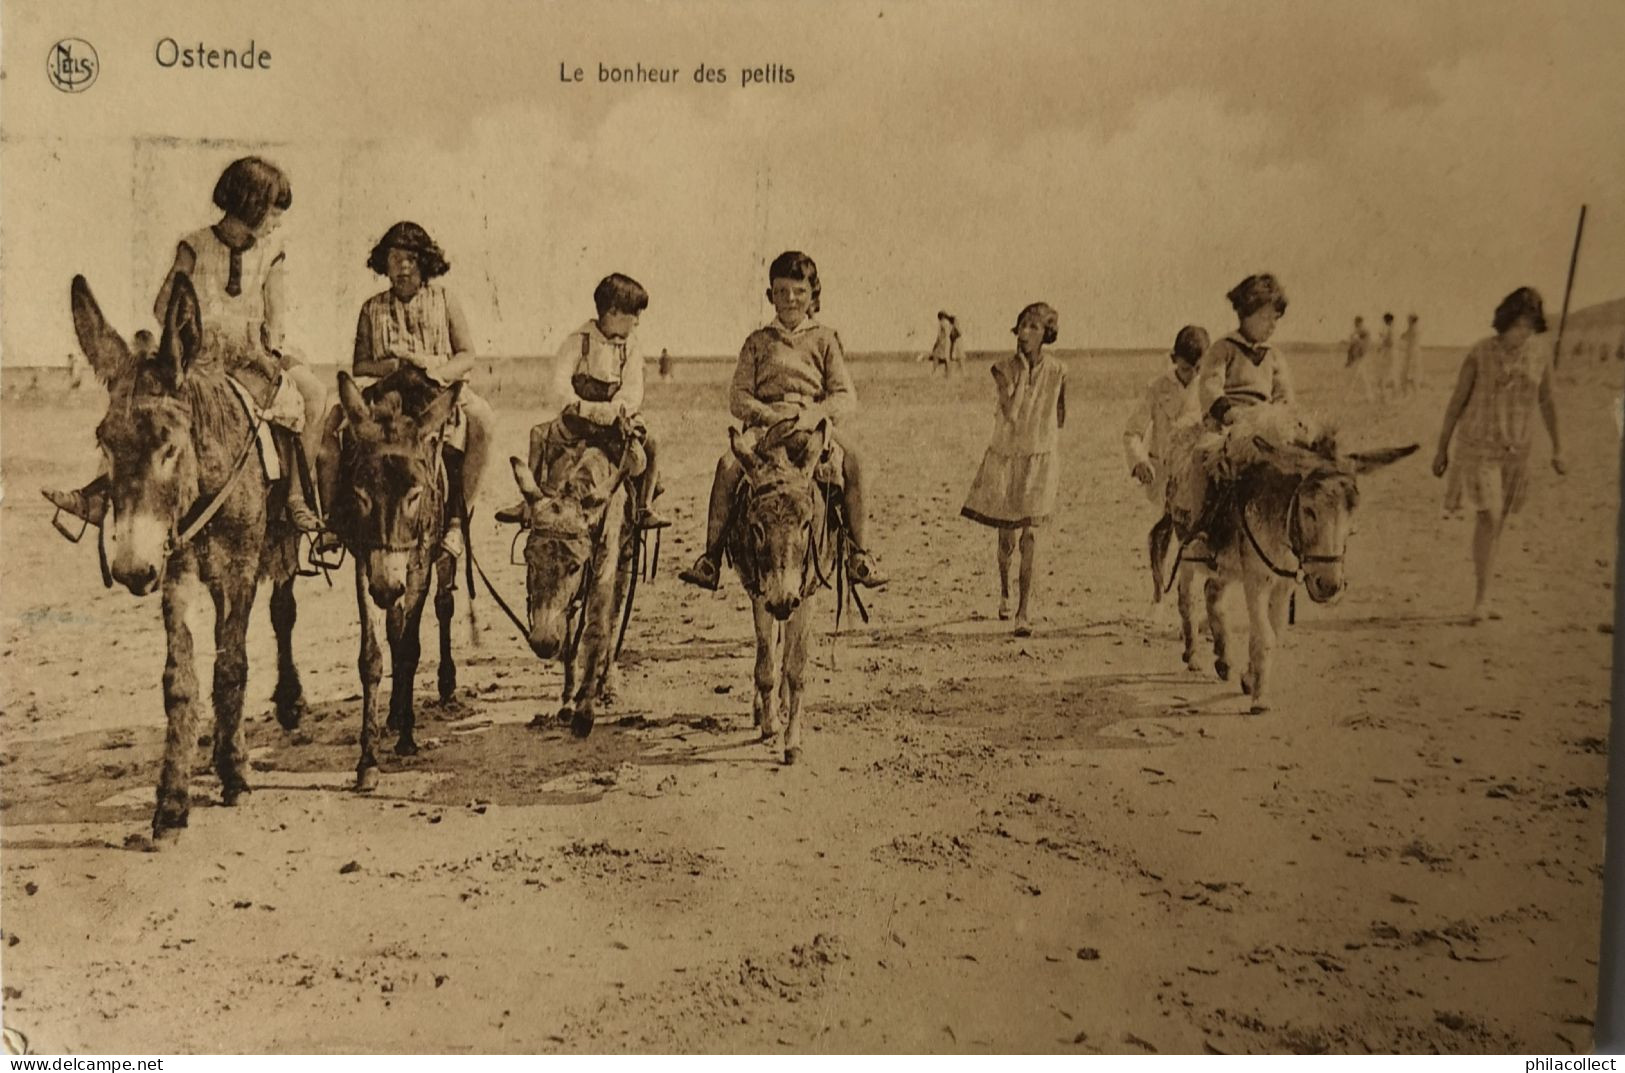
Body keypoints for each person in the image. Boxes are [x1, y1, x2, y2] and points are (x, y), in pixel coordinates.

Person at [44, 156, 322, 533]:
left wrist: (266, 344)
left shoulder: (272, 252)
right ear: (252, 205)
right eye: (274, 212)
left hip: (249, 356)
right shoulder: (195, 246)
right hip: (195, 358)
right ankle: (98, 496)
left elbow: (277, 317)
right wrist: (203, 330)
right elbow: (163, 307)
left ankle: (295, 498)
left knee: (311, 393)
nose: (277, 222)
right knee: (135, 405)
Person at [678, 250, 886, 590]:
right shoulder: (758, 342)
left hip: (811, 422)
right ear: (770, 295)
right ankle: (710, 558)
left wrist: (812, 415)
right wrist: (768, 414)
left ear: (813, 294)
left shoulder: (825, 339)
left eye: (799, 292)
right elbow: (738, 396)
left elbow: (844, 395)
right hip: (766, 426)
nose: (791, 299)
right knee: (727, 465)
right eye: (782, 291)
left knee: (856, 462)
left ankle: (858, 554)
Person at [317, 221, 495, 559]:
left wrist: (432, 369)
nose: (403, 266)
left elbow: (467, 354)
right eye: (395, 258)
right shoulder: (372, 308)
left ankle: (458, 521)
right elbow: (360, 365)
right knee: (331, 426)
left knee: (482, 421)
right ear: (384, 262)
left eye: (411, 258)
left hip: (436, 390)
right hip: (387, 394)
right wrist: (394, 367)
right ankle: (332, 521)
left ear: (425, 262)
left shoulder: (446, 300)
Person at [495, 272, 669, 530]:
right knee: (539, 436)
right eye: (635, 315)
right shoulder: (578, 341)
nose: (638, 322)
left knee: (652, 443)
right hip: (579, 421)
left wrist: (611, 411)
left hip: (616, 422)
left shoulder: (631, 348)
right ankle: (529, 502)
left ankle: (644, 507)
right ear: (613, 312)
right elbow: (559, 383)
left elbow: (633, 390)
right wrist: (579, 407)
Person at [1433, 286, 1564, 624]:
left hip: (1518, 451)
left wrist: (1559, 448)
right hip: (1478, 447)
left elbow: (1548, 403)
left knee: (1499, 523)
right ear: (1505, 321)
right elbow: (1456, 403)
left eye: (1530, 326)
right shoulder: (1480, 353)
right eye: (1518, 324)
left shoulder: (1540, 354)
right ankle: (1480, 600)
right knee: (1489, 516)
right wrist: (1441, 447)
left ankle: (1485, 595)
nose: (1523, 332)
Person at [960, 303, 1066, 636]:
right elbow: (1011, 413)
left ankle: (1024, 611)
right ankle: (1005, 591)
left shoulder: (1060, 370)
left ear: (1046, 333)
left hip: (1039, 458)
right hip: (1006, 457)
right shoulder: (1002, 368)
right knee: (1006, 537)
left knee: (1031, 535)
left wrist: (1043, 437)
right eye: (1022, 325)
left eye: (1034, 327)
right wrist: (1021, 373)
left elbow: (1061, 416)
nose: (1025, 333)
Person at [1166, 273, 1296, 535]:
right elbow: (1211, 386)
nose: (1272, 325)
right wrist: (1230, 413)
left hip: (1265, 424)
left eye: (1275, 319)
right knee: (1202, 454)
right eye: (1265, 317)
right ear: (1245, 314)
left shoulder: (1273, 356)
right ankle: (1201, 527)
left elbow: (1284, 394)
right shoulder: (1224, 348)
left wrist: (1281, 415)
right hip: (1230, 424)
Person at [1126, 326, 1207, 589]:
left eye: (1198, 370)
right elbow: (1132, 431)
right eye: (1185, 369)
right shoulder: (1157, 387)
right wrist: (1139, 461)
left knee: (1195, 532)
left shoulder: (1209, 388)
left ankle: (1191, 591)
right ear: (1174, 360)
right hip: (1162, 472)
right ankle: (1159, 589)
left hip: (1197, 472)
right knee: (1167, 526)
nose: (1192, 375)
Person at [1346, 315, 1373, 401]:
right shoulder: (1360, 332)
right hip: (1359, 356)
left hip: (1361, 356)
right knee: (1362, 377)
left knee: (1356, 376)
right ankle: (1369, 396)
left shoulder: (1363, 331)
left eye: (1356, 322)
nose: (1355, 324)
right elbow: (1353, 344)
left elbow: (1361, 343)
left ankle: (1348, 397)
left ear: (1359, 322)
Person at [929, 311, 960, 378]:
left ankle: (934, 372)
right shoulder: (948, 323)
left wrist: (936, 344)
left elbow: (939, 335)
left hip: (942, 342)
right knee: (947, 358)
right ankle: (948, 374)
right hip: (948, 342)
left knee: (936, 356)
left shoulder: (941, 323)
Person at [1399, 313, 1422, 393]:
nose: (1407, 321)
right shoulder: (1413, 329)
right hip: (1411, 353)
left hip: (1412, 354)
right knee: (1409, 375)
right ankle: (1412, 392)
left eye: (1409, 319)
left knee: (1408, 375)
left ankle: (1411, 393)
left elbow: (1405, 337)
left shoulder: (1413, 329)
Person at [1377, 312, 1398, 398]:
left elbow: (1390, 342)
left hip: (1389, 353)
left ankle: (1387, 392)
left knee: (1386, 371)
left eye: (1385, 320)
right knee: (1389, 371)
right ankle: (1392, 391)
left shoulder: (1390, 329)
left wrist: (1383, 343)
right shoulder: (1391, 329)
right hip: (1390, 352)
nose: (1384, 322)